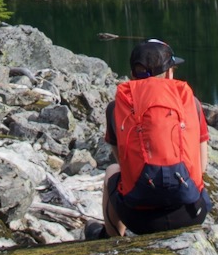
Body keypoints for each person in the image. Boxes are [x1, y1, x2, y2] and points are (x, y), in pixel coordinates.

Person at [86, 38, 211, 239]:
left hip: (140, 220)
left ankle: (112, 241)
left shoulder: (115, 108)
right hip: (191, 213)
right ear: (169, 73)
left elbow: (125, 165)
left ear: (132, 75)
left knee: (111, 172)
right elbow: (201, 165)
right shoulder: (192, 103)